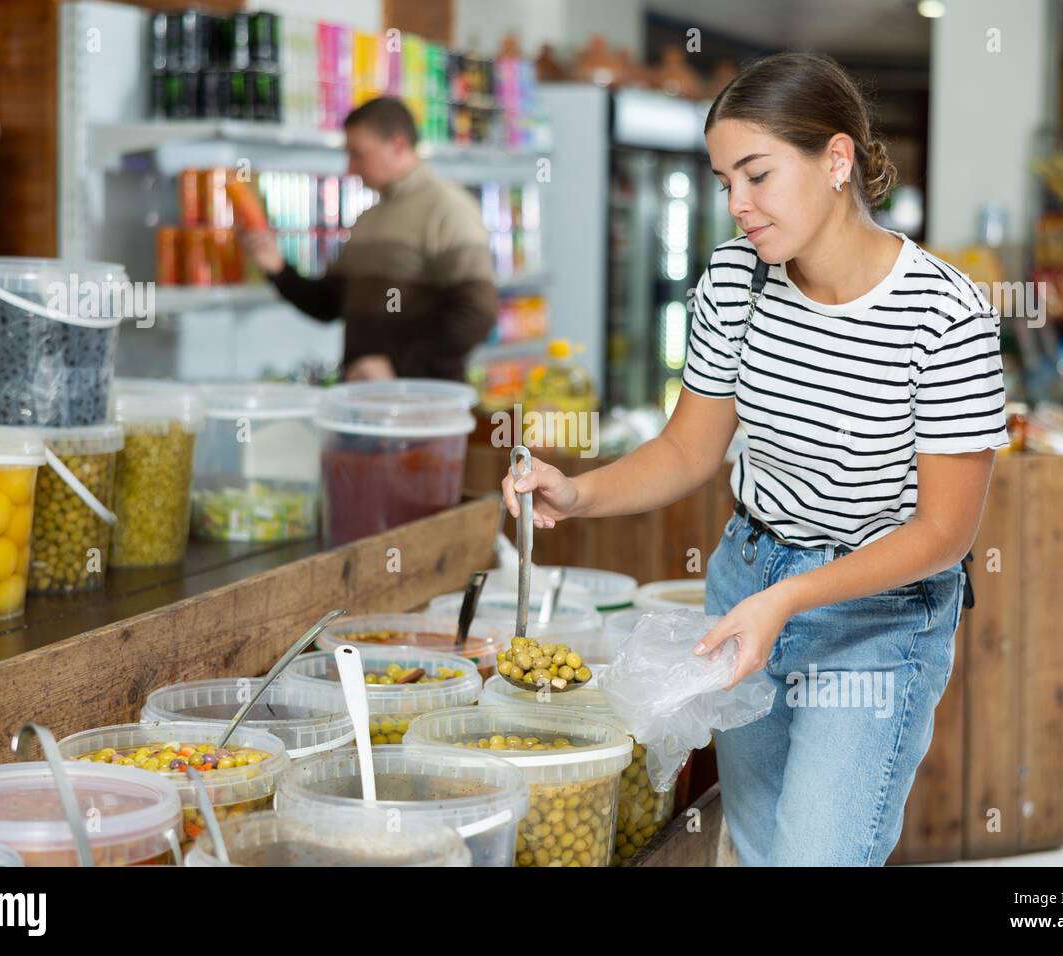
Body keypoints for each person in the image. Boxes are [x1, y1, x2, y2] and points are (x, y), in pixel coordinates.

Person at [502, 53, 1008, 866]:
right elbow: (686, 448)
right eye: (722, 181)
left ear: (836, 161)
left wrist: (794, 599)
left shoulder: (945, 314)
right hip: (748, 582)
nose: (737, 205)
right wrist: (580, 492)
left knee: (820, 854)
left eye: (758, 175)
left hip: (876, 616)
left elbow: (945, 532)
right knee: (763, 847)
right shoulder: (736, 279)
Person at [239, 97, 498, 382]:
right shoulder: (367, 218)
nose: (350, 168)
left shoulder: (447, 209)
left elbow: (478, 313)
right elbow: (330, 304)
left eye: (358, 154)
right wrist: (277, 267)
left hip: (424, 407)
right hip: (363, 400)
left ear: (397, 145)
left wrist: (397, 365)